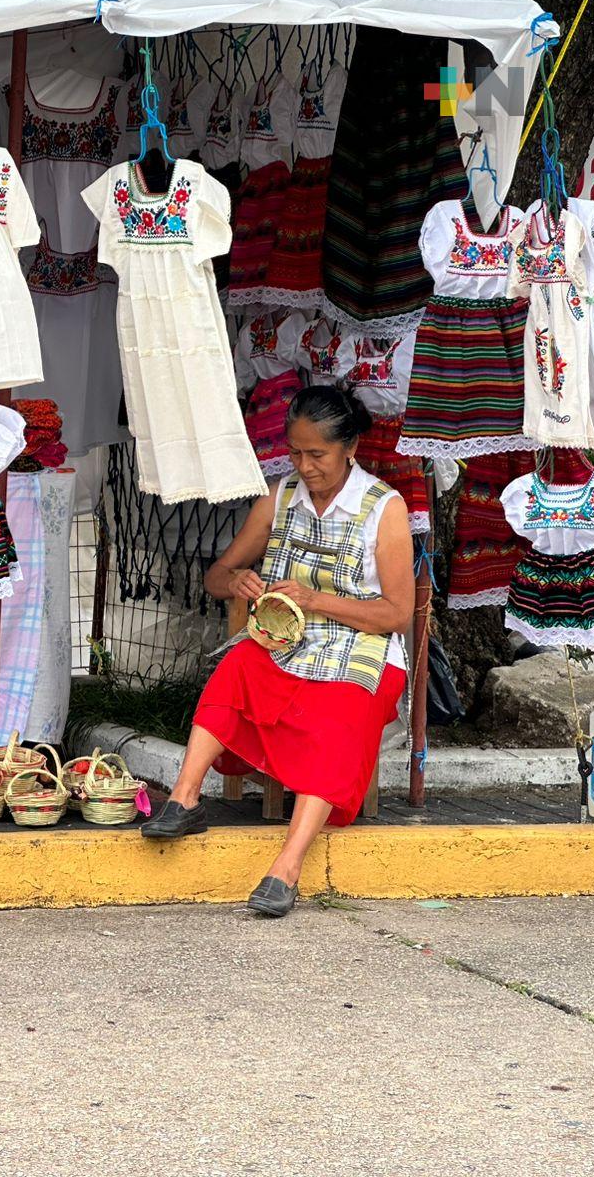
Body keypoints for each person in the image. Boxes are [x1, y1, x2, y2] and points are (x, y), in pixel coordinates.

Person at [140, 386, 413, 917]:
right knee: (238, 663)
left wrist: (316, 600)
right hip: (286, 640)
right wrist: (239, 579)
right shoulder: (279, 497)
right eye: (296, 453)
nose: (305, 466)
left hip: (365, 648)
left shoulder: (384, 508)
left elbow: (397, 613)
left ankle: (287, 865)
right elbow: (216, 576)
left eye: (318, 455)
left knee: (341, 706)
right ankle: (185, 798)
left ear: (349, 448)